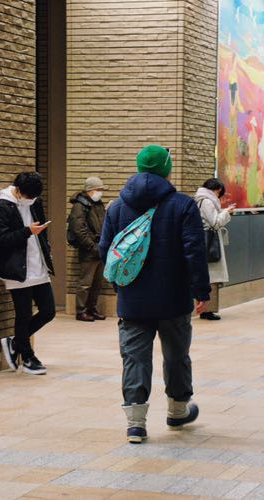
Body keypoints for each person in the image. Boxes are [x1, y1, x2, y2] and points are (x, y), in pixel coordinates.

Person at [100, 145, 210, 443]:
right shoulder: (182, 205)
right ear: (166, 169)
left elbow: (105, 250)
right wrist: (200, 290)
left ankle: (136, 423)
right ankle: (177, 411)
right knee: (176, 355)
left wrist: (120, 286)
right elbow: (194, 251)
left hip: (133, 299)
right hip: (173, 298)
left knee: (134, 357)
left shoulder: (118, 207)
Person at [0, 171, 55, 375]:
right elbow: (2, 240)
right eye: (28, 197)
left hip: (38, 265)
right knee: (24, 315)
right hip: (17, 268)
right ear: (18, 191)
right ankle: (27, 357)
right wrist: (27, 231)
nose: (31, 201)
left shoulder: (35, 201)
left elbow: (41, 230)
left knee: (48, 311)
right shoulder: (3, 205)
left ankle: (16, 343)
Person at [194, 178, 235, 320]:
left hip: (206, 240)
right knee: (212, 277)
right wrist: (227, 212)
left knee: (209, 276)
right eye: (219, 193)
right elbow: (215, 222)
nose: (219, 196)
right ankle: (207, 310)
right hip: (210, 241)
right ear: (216, 190)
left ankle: (206, 309)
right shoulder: (207, 201)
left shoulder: (202, 199)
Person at [69, 176, 107, 322]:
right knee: (85, 282)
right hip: (89, 250)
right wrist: (92, 246)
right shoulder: (80, 206)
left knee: (97, 282)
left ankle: (92, 308)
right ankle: (81, 311)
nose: (100, 193)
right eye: (98, 190)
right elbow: (78, 229)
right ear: (90, 190)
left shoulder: (97, 204)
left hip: (99, 248)